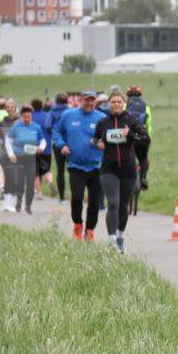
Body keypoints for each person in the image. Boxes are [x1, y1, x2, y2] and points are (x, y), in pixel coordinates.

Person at [94, 92, 149, 252]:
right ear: (109, 104)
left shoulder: (132, 121)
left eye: (119, 102)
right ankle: (111, 240)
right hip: (108, 169)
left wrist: (130, 135)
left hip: (128, 169)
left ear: (123, 104)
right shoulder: (103, 122)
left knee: (123, 206)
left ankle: (120, 237)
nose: (116, 104)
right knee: (112, 203)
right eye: (113, 102)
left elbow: (145, 139)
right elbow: (95, 138)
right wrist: (98, 143)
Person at [53, 90, 107, 241]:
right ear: (81, 100)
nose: (89, 103)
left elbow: (107, 138)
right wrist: (61, 145)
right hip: (76, 165)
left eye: (91, 100)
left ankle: (90, 230)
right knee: (77, 197)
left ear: (95, 102)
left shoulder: (101, 118)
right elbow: (56, 132)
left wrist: (102, 143)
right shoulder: (68, 115)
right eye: (86, 100)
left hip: (97, 165)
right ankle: (78, 225)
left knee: (95, 200)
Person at [5, 105, 47, 214]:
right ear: (22, 115)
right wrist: (11, 154)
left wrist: (41, 148)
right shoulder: (16, 126)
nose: (27, 115)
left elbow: (43, 140)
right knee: (19, 182)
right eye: (25, 113)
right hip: (18, 157)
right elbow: (8, 140)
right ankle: (19, 200)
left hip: (31, 158)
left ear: (31, 115)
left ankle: (28, 205)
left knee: (30, 182)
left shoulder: (36, 127)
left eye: (29, 113)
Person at [0, 99, 20, 212]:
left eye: (12, 106)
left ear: (15, 108)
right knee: (9, 176)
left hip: (18, 154)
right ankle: (8, 203)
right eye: (8, 107)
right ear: (5, 109)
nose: (10, 109)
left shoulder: (20, 122)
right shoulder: (1, 123)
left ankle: (12, 200)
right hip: (5, 154)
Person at [124, 86, 152, 190]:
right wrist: (148, 138)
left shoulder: (125, 104)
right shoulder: (146, 106)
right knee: (143, 158)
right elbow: (149, 126)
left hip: (127, 137)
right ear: (140, 95)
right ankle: (143, 177)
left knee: (125, 157)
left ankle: (124, 176)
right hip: (142, 138)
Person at [29, 99, 55, 200]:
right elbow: (51, 129)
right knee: (46, 169)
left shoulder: (30, 117)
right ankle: (50, 182)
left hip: (33, 147)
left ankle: (39, 192)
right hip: (46, 147)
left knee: (35, 172)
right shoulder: (48, 115)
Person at [48, 93, 70, 203]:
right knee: (73, 170)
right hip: (71, 143)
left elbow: (47, 126)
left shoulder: (52, 112)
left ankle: (61, 197)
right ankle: (75, 195)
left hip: (58, 144)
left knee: (60, 170)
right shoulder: (71, 111)